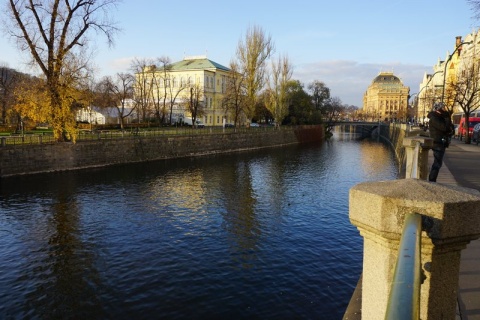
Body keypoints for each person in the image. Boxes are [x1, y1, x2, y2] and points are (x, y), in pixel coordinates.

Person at [427, 103, 455, 182]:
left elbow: (450, 128)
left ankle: (432, 180)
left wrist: (448, 122)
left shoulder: (440, 117)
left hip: (441, 142)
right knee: (437, 163)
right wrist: (447, 118)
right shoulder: (435, 118)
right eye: (443, 108)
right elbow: (444, 128)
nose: (445, 110)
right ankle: (432, 180)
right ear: (439, 109)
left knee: (438, 162)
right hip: (437, 142)